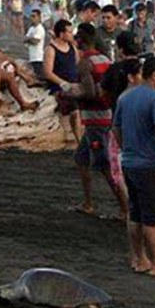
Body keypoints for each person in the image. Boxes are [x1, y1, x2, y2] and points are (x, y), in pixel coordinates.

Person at [113, 57, 155, 279]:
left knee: (135, 213)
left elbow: (116, 128)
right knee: (152, 217)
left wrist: (127, 149)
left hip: (130, 162)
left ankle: (138, 258)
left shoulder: (125, 96)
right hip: (148, 163)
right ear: (154, 76)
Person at [61, 23, 129, 219]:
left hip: (95, 119)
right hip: (107, 114)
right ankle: (88, 203)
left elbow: (90, 92)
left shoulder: (85, 63)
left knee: (105, 165)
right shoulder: (105, 60)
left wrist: (70, 96)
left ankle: (125, 209)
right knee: (81, 158)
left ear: (79, 41)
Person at [45, 19, 82, 145]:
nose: (72, 34)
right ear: (61, 34)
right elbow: (48, 72)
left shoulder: (72, 48)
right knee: (75, 111)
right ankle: (79, 141)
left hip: (74, 85)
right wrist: (63, 84)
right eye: (69, 32)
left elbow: (77, 65)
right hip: (59, 88)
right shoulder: (51, 49)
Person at [24, 9, 46, 79]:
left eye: (34, 16)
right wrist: (30, 39)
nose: (32, 18)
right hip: (32, 57)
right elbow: (24, 39)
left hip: (38, 57)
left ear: (39, 17)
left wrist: (29, 39)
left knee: (39, 76)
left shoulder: (40, 29)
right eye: (31, 16)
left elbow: (35, 41)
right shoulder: (31, 28)